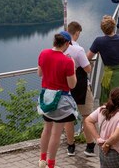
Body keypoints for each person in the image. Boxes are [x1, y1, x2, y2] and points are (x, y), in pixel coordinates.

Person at [36, 32, 78, 168]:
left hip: (46, 98)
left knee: (46, 129)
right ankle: (51, 165)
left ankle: (42, 160)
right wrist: (74, 70)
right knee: (56, 133)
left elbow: (39, 74)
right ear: (66, 44)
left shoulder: (43, 53)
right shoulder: (67, 61)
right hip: (61, 101)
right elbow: (72, 85)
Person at [63, 22, 96, 158]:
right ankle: (89, 146)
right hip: (80, 86)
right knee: (87, 116)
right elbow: (87, 68)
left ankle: (71, 147)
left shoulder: (60, 50)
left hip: (65, 86)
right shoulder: (78, 50)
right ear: (76, 33)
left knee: (68, 118)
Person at [88, 16, 119, 108]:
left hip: (109, 75)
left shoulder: (99, 41)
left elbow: (88, 57)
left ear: (102, 28)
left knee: (110, 102)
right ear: (114, 26)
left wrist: (99, 49)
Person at [84, 87, 119, 168]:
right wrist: (107, 145)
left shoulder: (102, 110)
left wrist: (98, 138)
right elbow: (115, 136)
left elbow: (88, 121)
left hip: (104, 154)